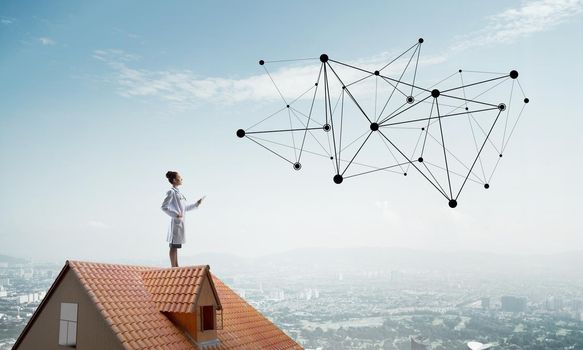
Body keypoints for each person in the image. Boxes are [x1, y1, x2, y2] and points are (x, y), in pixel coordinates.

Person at [161, 171, 205, 267]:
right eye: (179, 178)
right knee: (173, 246)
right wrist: (175, 214)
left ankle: (176, 265)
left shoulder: (179, 193)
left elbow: (184, 209)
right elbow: (164, 207)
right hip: (176, 223)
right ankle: (174, 266)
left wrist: (196, 204)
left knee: (176, 246)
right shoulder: (171, 192)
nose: (181, 179)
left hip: (180, 223)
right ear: (174, 180)